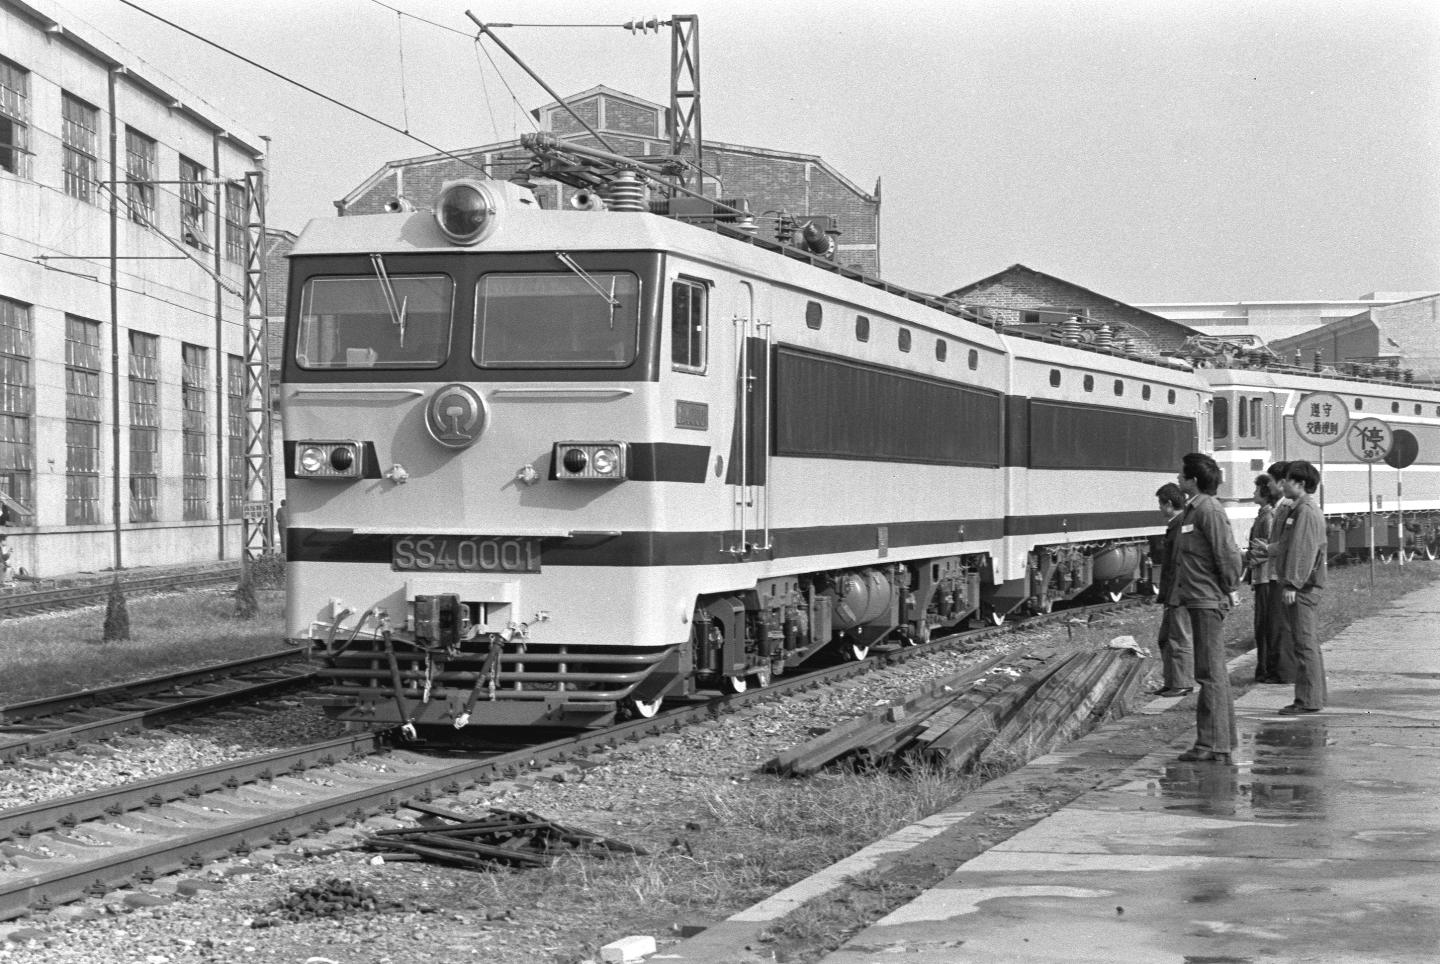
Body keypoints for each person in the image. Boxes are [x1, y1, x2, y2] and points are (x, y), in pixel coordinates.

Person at [1169, 452, 1242, 763]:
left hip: (1207, 598)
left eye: (1182, 474)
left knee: (1209, 673)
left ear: (1194, 480)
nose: (1178, 478)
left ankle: (1212, 744)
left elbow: (1227, 553)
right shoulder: (1194, 509)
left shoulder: (1208, 510)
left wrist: (1230, 587)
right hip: (1198, 596)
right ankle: (1221, 740)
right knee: (1212, 672)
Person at [1273, 459, 1327, 715]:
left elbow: (1303, 551)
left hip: (1303, 588)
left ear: (1301, 483)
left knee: (1304, 644)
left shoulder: (1305, 511)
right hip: (1306, 586)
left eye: (1287, 480)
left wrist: (1293, 584)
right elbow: (1290, 545)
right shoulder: (1300, 509)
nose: (1283, 485)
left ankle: (1307, 700)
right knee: (1308, 643)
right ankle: (1315, 695)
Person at [1152, 482, 1194, 697]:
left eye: (1160, 504)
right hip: (1173, 593)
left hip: (1179, 594)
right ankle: (1171, 681)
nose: (1159, 508)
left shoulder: (1180, 527)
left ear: (1169, 504)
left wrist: (1173, 596)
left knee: (1179, 638)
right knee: (1166, 638)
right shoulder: (1177, 525)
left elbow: (1177, 564)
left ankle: (1182, 682)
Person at [1243, 473, 1283, 684]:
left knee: (1264, 625)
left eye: (1256, 489)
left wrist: (1247, 557)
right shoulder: (1263, 515)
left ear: (1264, 493)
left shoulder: (1268, 517)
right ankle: (1263, 668)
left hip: (1266, 577)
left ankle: (1266, 668)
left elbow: (1266, 547)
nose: (1253, 492)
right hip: (1261, 577)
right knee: (1262, 625)